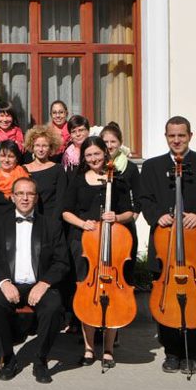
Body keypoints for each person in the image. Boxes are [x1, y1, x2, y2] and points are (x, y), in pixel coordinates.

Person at [139, 116, 196, 376]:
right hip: (164, 247)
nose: (176, 140)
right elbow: (144, 200)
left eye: (181, 135)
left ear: (190, 136)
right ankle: (171, 353)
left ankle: (191, 355)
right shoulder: (153, 166)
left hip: (195, 247)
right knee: (165, 299)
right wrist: (157, 216)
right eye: (172, 136)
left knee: (195, 301)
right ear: (166, 137)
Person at [0, 177, 69, 384]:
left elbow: (62, 262)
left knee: (53, 308)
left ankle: (40, 360)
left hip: (39, 284)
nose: (25, 198)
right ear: (12, 197)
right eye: (20, 193)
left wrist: (44, 283)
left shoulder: (51, 225)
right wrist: (3, 282)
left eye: (30, 194)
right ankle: (8, 358)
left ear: (36, 198)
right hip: (9, 284)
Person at [60, 136, 135, 368]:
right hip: (84, 244)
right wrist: (83, 224)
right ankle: (89, 348)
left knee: (113, 294)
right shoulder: (77, 180)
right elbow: (65, 212)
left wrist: (117, 217)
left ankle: (109, 348)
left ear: (105, 153)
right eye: (89, 155)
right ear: (84, 158)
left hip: (113, 244)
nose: (93, 158)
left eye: (97, 153)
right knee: (87, 294)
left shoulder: (118, 180)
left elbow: (130, 212)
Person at [100, 122, 141, 283]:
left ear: (120, 143)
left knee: (125, 269)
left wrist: (130, 218)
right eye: (106, 142)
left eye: (113, 142)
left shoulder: (130, 168)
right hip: (101, 226)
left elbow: (138, 198)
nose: (109, 146)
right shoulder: (96, 166)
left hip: (124, 225)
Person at [0, 141, 30, 226]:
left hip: (19, 227)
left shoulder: (25, 181)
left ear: (17, 158)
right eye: (3, 156)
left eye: (11, 156)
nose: (6, 160)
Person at [23, 125, 67, 219]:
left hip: (51, 220)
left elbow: (60, 200)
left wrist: (53, 223)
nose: (41, 149)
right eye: (37, 145)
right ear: (32, 147)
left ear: (51, 148)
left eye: (44, 146)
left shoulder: (58, 169)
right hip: (28, 220)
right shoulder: (23, 169)